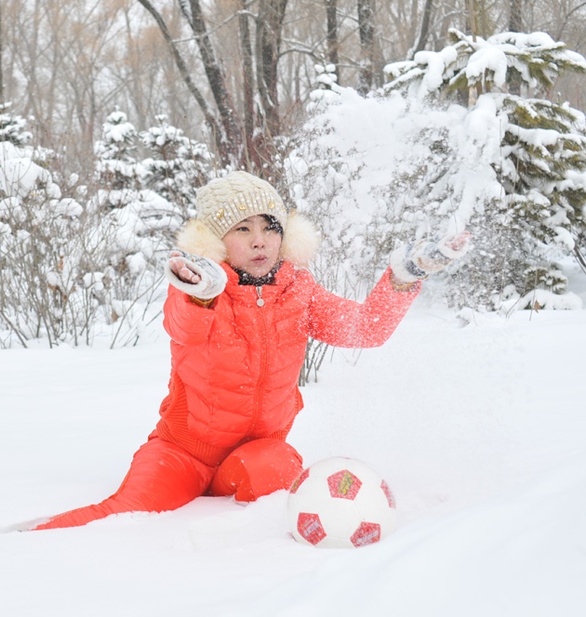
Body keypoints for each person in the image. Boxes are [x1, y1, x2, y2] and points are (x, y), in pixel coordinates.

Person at [34, 171, 469, 530]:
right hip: (181, 453)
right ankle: (21, 545)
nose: (259, 240)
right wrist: (200, 292)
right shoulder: (201, 290)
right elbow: (181, 326)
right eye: (242, 229)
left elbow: (364, 329)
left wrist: (403, 278)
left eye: (269, 228)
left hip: (256, 454)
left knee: (278, 470)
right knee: (121, 516)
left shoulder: (299, 291)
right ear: (217, 241)